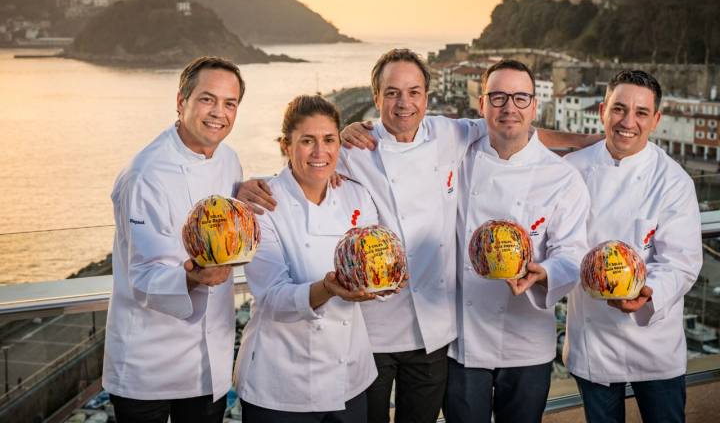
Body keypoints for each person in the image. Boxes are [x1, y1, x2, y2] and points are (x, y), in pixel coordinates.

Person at [238, 49, 594, 423]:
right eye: (392, 93)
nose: (404, 103)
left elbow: (512, 126)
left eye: (413, 92)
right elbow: (305, 163)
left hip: (433, 331)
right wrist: (250, 187)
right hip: (372, 330)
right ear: (375, 98)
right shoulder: (351, 148)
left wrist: (590, 143)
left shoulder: (450, 132)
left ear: (426, 96)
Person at [444, 60, 590, 423]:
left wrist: (544, 273)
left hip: (527, 342)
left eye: (521, 98)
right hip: (464, 340)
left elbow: (572, 251)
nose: (510, 107)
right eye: (498, 97)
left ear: (534, 106)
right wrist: (357, 129)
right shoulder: (454, 160)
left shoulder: (562, 177)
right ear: (482, 106)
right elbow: (405, 140)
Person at [103, 56, 245, 423]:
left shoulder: (230, 161)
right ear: (181, 102)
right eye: (207, 99)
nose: (219, 112)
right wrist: (193, 277)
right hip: (148, 363)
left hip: (207, 362)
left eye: (230, 103)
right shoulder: (145, 174)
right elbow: (142, 276)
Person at [235, 95, 389, 423]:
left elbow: (376, 258)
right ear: (285, 146)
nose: (320, 152)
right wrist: (330, 288)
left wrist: (388, 277)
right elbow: (272, 297)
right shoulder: (261, 205)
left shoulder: (357, 195)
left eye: (329, 140)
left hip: (348, 378)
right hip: (281, 384)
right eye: (307, 141)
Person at [563, 70, 702, 423]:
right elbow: (558, 242)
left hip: (653, 339)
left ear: (655, 120)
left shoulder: (673, 181)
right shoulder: (571, 170)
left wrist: (646, 293)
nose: (628, 122)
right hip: (593, 339)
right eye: (619, 109)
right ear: (602, 111)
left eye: (641, 113)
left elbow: (681, 262)